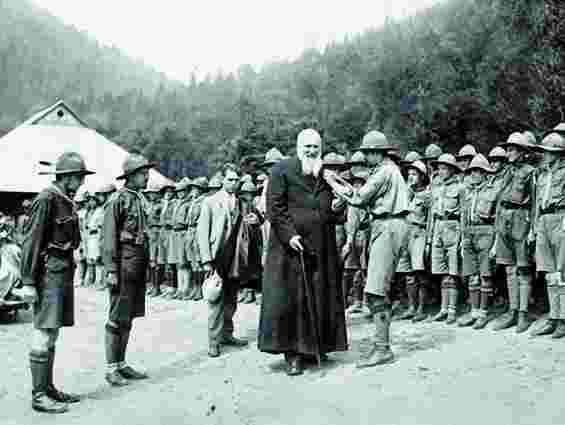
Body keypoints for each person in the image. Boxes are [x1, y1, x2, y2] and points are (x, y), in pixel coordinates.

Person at [258, 129, 348, 376]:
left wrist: (337, 208)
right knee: (292, 300)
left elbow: (331, 211)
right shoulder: (281, 170)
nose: (311, 151)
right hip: (290, 248)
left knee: (319, 297)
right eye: (307, 146)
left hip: (321, 247)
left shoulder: (325, 173)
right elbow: (275, 208)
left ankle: (316, 347)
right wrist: (290, 235)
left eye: (315, 147)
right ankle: (293, 354)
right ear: (298, 147)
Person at [20, 152, 94, 413]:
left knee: (52, 332)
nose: (82, 182)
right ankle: (39, 395)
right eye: (79, 177)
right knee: (44, 331)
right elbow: (31, 241)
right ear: (67, 177)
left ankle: (47, 387)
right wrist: (28, 281)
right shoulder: (46, 199)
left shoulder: (65, 200)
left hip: (61, 272)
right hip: (48, 274)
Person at [330, 130, 409, 368]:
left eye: (368, 152)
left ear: (377, 152)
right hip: (387, 225)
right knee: (376, 288)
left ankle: (383, 348)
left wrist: (332, 182)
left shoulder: (384, 171)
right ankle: (380, 344)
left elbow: (358, 198)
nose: (365, 157)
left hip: (388, 225)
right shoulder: (386, 170)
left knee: (375, 290)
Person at [102, 154, 154, 387]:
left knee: (128, 316)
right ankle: (111, 368)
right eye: (143, 173)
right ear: (131, 176)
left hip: (137, 264)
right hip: (123, 265)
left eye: (147, 173)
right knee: (116, 317)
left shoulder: (139, 198)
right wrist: (111, 269)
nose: (147, 177)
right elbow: (109, 237)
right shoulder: (117, 200)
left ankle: (121, 364)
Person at [198, 164, 250, 358]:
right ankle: (213, 341)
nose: (234, 183)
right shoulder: (210, 202)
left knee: (232, 299)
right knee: (216, 299)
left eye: (237, 180)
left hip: (235, 256)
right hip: (217, 255)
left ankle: (227, 334)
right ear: (222, 180)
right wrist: (206, 260)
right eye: (230, 179)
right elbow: (202, 232)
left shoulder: (241, 203)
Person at [492, 132, 536, 333]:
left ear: (522, 152)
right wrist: (497, 229)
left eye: (512, 150)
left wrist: (532, 229)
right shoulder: (505, 172)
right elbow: (499, 201)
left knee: (523, 268)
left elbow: (535, 202)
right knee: (509, 268)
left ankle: (523, 314)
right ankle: (513, 310)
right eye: (508, 150)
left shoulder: (530, 172)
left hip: (521, 218)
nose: (508, 153)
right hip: (504, 219)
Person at [458, 154, 499, 329]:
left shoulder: (493, 191)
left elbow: (498, 219)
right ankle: (474, 312)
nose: (474, 174)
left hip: (486, 233)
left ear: (485, 173)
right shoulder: (466, 191)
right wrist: (463, 239)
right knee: (472, 276)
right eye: (472, 171)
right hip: (469, 234)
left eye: (478, 171)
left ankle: (483, 313)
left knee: (485, 275)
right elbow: (463, 217)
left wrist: (495, 243)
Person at [531, 133, 565, 338]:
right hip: (544, 220)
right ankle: (553, 317)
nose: (544, 155)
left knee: (562, 273)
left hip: (560, 218)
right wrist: (535, 227)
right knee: (549, 273)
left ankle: (563, 320)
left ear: (558, 154)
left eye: (548, 152)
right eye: (544, 152)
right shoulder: (542, 175)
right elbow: (537, 202)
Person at [396, 160, 432, 322]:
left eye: (414, 174)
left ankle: (421, 308)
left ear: (422, 176)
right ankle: (411, 307)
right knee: (408, 274)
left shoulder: (427, 195)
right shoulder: (406, 193)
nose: (411, 177)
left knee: (419, 271)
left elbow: (430, 219)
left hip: (419, 233)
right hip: (406, 233)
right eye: (409, 174)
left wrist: (429, 240)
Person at [235, 180, 264, 304]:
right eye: (246, 193)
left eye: (251, 194)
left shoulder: (255, 207)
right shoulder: (239, 206)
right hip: (242, 239)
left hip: (254, 239)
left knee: (254, 265)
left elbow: (261, 220)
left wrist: (256, 221)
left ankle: (255, 291)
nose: (248, 196)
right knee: (243, 265)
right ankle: (246, 290)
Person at [184, 177, 209, 301]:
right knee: (192, 262)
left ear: (201, 189)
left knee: (199, 262)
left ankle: (199, 288)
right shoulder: (193, 201)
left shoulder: (204, 201)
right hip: (190, 231)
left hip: (198, 231)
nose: (192, 191)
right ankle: (194, 287)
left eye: (195, 188)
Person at [170, 178, 192, 299]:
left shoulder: (188, 204)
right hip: (175, 233)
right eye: (178, 191)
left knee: (184, 263)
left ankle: (186, 288)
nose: (180, 193)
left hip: (183, 232)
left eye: (182, 191)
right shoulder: (176, 203)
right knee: (178, 263)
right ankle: (180, 288)